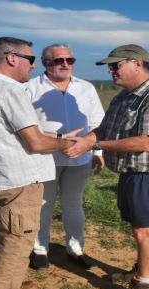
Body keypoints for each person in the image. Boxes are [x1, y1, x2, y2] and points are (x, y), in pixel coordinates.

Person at [0, 37, 76, 289]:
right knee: (16, 244)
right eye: (31, 59)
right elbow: (35, 142)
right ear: (12, 58)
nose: (34, 66)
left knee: (9, 237)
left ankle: (5, 287)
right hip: (18, 182)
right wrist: (66, 142)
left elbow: (0, 132)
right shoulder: (10, 91)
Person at [65, 44, 149, 289]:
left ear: (137, 63)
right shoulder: (124, 96)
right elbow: (104, 129)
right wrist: (85, 139)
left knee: (145, 231)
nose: (111, 71)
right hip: (132, 172)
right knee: (138, 227)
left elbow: (145, 143)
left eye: (115, 65)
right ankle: (147, 271)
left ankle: (145, 288)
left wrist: (92, 144)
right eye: (110, 66)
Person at [25, 43, 105, 270]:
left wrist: (97, 149)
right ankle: (40, 250)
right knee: (43, 204)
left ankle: (75, 249)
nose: (65, 64)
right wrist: (57, 140)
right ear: (45, 63)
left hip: (80, 158)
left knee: (73, 204)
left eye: (69, 60)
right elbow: (24, 125)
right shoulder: (30, 88)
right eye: (58, 60)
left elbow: (98, 121)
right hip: (44, 157)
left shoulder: (86, 88)